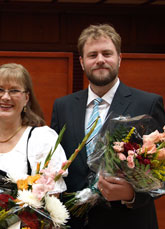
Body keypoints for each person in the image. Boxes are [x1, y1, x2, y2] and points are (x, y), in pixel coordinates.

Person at [51, 24, 165, 229]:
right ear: (82, 62)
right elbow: (55, 164)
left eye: (107, 53)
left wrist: (132, 195)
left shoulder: (147, 103)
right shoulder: (62, 106)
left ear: (119, 58)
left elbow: (161, 173)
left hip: (129, 221)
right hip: (74, 223)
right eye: (92, 55)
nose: (100, 60)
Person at [0, 63, 67, 195]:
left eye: (14, 91)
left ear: (26, 98)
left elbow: (52, 198)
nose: (5, 97)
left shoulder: (42, 139)